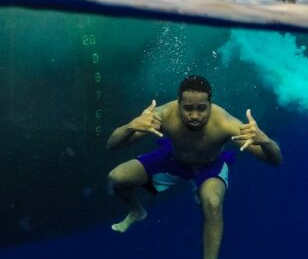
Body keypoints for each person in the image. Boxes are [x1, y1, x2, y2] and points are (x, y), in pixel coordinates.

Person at [107, 75, 282, 259]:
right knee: (116, 178)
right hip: (172, 160)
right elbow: (112, 145)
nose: (195, 115)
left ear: (210, 104)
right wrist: (130, 126)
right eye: (188, 108)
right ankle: (137, 210)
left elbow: (275, 160)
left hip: (209, 167)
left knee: (213, 204)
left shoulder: (224, 123)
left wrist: (266, 141)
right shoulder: (164, 115)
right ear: (178, 103)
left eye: (201, 108)